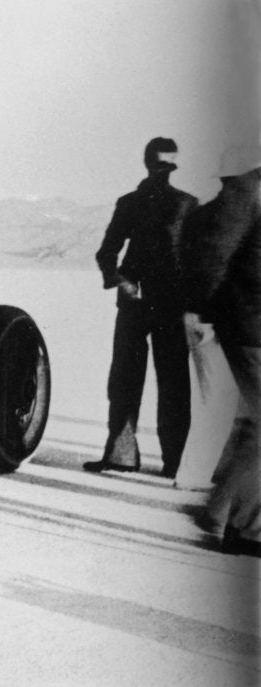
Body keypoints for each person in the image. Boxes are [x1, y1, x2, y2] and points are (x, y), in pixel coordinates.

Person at [84, 137, 198, 478]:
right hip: (135, 304)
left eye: (169, 165)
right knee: (124, 379)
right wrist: (119, 281)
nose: (163, 171)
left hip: (170, 306)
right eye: (159, 164)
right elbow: (107, 252)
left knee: (173, 383)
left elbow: (198, 259)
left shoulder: (186, 204)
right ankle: (121, 456)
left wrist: (193, 302)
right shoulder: (130, 203)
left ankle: (176, 462)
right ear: (148, 163)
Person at [182, 142, 261, 555]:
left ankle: (219, 510)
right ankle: (243, 529)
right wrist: (198, 310)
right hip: (249, 324)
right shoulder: (247, 190)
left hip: (249, 322)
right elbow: (216, 254)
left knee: (253, 421)